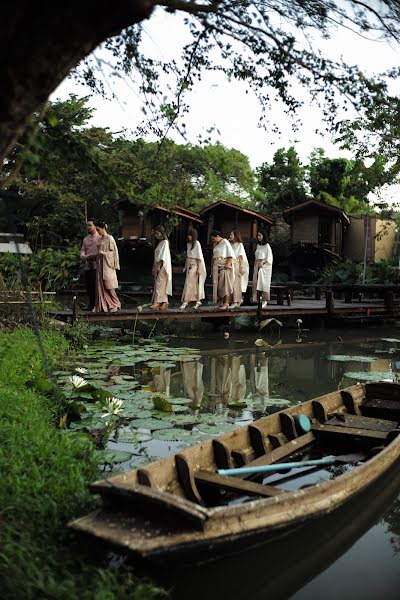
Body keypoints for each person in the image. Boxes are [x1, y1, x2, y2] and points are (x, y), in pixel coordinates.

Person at [94, 221, 121, 313]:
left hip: (108, 264)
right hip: (100, 264)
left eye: (98, 230)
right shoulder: (100, 239)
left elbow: (113, 253)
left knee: (110, 285)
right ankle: (107, 304)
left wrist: (104, 253)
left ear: (103, 228)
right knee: (102, 285)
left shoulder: (110, 238)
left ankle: (116, 304)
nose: (98, 232)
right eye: (97, 230)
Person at [180, 228, 206, 310]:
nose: (189, 236)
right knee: (194, 285)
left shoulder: (197, 244)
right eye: (188, 235)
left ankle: (185, 301)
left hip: (195, 265)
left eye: (190, 235)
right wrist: (185, 266)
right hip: (189, 265)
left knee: (188, 282)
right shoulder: (188, 244)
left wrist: (199, 268)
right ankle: (198, 300)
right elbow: (188, 256)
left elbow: (199, 257)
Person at [210, 230, 235, 310]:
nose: (213, 241)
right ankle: (220, 301)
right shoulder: (215, 244)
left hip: (223, 265)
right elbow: (214, 256)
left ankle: (226, 302)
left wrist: (227, 264)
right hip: (216, 265)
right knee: (217, 285)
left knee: (225, 284)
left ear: (218, 236)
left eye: (213, 239)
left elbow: (230, 254)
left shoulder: (225, 242)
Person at [80, 219, 100, 311]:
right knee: (89, 286)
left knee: (97, 286)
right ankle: (91, 305)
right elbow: (83, 249)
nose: (88, 227)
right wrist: (82, 255)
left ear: (95, 226)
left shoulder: (100, 237)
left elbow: (100, 252)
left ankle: (98, 305)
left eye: (90, 225)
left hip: (97, 265)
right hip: (88, 265)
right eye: (87, 225)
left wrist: (89, 255)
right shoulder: (85, 239)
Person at [150, 225, 172, 311]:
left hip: (162, 266)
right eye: (155, 234)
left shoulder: (165, 242)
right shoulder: (160, 243)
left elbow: (163, 256)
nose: (156, 235)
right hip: (158, 265)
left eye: (157, 233)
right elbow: (156, 257)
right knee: (161, 284)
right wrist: (154, 267)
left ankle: (157, 302)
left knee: (160, 284)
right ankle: (165, 302)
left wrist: (158, 266)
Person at [252, 228, 273, 309]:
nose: (258, 237)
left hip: (265, 267)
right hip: (257, 265)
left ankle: (265, 300)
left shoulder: (267, 246)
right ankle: (257, 299)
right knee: (256, 282)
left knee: (264, 283)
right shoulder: (258, 245)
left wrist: (263, 262)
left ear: (264, 236)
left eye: (260, 235)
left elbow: (269, 258)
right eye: (258, 235)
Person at [228, 229, 249, 308]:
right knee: (231, 283)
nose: (230, 236)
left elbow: (241, 257)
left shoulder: (239, 245)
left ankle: (235, 301)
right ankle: (236, 300)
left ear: (236, 236)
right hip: (231, 265)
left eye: (232, 234)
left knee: (236, 284)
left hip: (237, 265)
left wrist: (241, 267)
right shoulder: (230, 245)